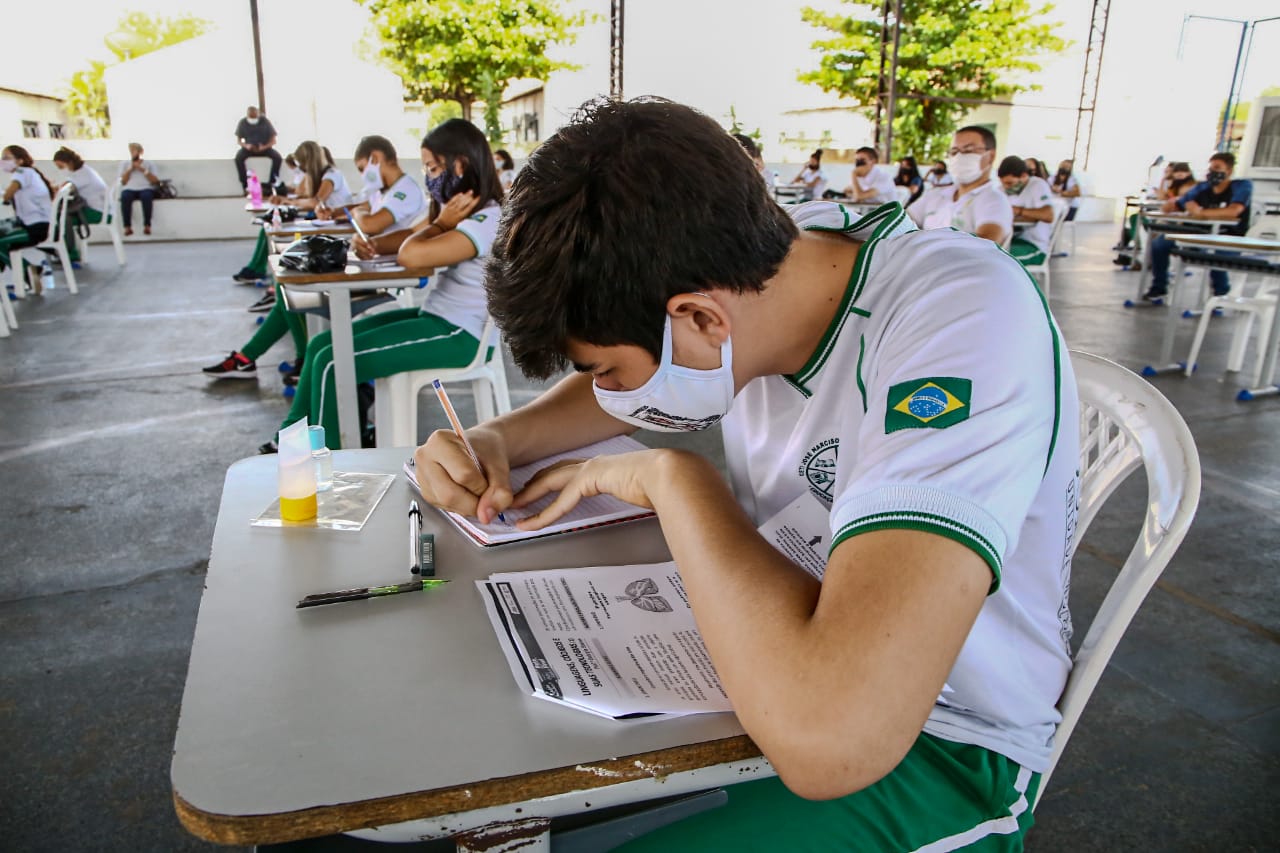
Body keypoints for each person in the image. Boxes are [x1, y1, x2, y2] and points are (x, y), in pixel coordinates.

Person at [412, 98, 1077, 850]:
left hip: (942, 745)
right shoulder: (770, 280)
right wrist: (495, 438)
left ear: (700, 318)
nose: (609, 395)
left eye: (608, 371)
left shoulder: (962, 319)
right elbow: (616, 388)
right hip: (771, 669)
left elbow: (836, 738)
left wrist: (679, 482)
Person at [256, 122, 502, 452]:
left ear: (460, 165)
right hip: (439, 318)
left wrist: (441, 223)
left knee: (334, 362)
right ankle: (291, 437)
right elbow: (413, 237)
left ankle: (333, 462)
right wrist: (377, 245)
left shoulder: (486, 219)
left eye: (432, 167)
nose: (429, 177)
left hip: (461, 335)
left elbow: (414, 253)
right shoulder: (468, 213)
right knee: (322, 346)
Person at [205, 134, 428, 384]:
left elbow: (371, 223)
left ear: (376, 158)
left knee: (294, 289)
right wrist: (348, 214)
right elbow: (355, 214)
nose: (364, 175)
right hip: (372, 264)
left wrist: (360, 214)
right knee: (288, 285)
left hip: (386, 275)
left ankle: (275, 358)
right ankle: (258, 358)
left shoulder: (405, 189)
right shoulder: (383, 191)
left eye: (363, 169)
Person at [232, 141, 355, 291]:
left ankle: (269, 280)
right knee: (268, 228)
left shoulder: (332, 175)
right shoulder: (318, 175)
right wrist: (288, 200)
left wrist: (288, 201)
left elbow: (316, 201)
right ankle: (256, 269)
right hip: (323, 220)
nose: (301, 170)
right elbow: (303, 194)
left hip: (336, 224)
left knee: (281, 235)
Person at [1144, 152, 1252, 301]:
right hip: (1198, 235)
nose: (1212, 172)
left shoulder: (1241, 186)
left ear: (1229, 171)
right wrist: (1176, 204)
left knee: (1214, 252)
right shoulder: (1202, 187)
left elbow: (1234, 211)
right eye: (1210, 168)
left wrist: (1202, 212)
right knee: (1159, 244)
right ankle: (1159, 287)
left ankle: (1220, 295)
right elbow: (1173, 206)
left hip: (1228, 238)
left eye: (1217, 168)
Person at [908, 126, 1012, 246]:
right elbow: (901, 222)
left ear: (991, 156)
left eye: (968, 150)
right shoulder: (935, 195)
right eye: (954, 152)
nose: (959, 157)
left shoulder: (995, 201)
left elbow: (985, 247)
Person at [0, 144, 54, 287]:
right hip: (40, 224)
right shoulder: (30, 173)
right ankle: (31, 272)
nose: (2, 161)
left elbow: (8, 194)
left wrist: (5, 196)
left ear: (20, 160)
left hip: (36, 228)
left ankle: (28, 273)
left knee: (1, 242)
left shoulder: (22, 172)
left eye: (6, 158)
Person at [52, 147, 107, 265]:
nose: (61, 170)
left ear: (69, 163)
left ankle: (70, 255)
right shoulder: (82, 171)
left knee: (62, 219)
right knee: (62, 217)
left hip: (98, 211)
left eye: (61, 167)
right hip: (95, 208)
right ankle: (65, 252)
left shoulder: (83, 174)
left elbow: (63, 190)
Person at [998, 156, 1056, 268]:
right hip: (1012, 240)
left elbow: (1049, 215)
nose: (1005, 187)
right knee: (986, 253)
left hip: (1034, 245)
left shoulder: (1038, 185)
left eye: (1009, 183)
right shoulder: (1002, 189)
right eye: (1003, 183)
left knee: (999, 260)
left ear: (1024, 176)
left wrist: (1017, 210)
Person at [234, 105, 282, 193]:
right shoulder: (243, 123)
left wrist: (265, 147)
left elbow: (273, 140)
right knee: (239, 158)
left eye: (255, 116)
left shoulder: (265, 122)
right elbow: (239, 140)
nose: (253, 118)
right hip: (249, 148)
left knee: (277, 157)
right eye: (251, 117)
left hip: (264, 148)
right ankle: (245, 184)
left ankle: (272, 183)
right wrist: (246, 146)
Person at [118, 142, 160, 236]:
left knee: (147, 197)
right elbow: (123, 181)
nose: (132, 153)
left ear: (140, 152)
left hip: (145, 187)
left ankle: (147, 225)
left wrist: (142, 169)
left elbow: (155, 181)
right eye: (131, 151)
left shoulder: (149, 164)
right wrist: (130, 169)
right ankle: (127, 227)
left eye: (134, 150)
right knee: (125, 197)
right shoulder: (124, 164)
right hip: (129, 188)